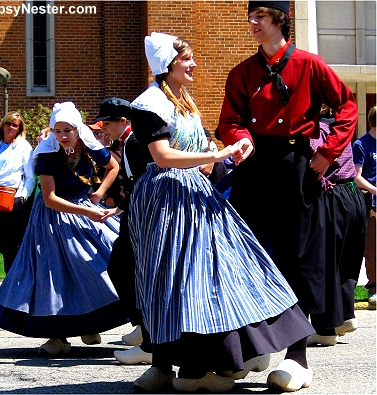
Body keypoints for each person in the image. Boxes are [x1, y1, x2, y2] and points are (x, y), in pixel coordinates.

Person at [127, 31, 314, 393]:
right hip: (167, 202)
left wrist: (225, 149)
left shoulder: (182, 100)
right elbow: (163, 157)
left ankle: (214, 363)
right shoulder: (149, 103)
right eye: (187, 59)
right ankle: (164, 364)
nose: (194, 64)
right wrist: (215, 155)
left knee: (214, 277)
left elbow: (194, 147)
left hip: (196, 198)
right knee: (169, 280)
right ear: (168, 65)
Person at [218, 1, 357, 391]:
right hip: (255, 165)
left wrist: (326, 154)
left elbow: (346, 106)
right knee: (250, 254)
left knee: (299, 257)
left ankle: (297, 355)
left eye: (260, 16)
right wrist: (241, 140)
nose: (252, 23)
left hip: (299, 166)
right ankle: (254, 347)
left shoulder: (310, 65)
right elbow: (229, 120)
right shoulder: (242, 72)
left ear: (280, 20)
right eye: (251, 16)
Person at [0, 101, 128, 355]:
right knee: (52, 275)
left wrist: (97, 194)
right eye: (58, 131)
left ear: (78, 129)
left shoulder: (89, 146)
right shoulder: (46, 154)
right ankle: (57, 336)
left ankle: (91, 323)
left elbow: (113, 166)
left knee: (97, 265)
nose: (63, 136)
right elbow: (49, 199)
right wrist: (88, 210)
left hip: (83, 209)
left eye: (68, 130)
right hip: (52, 218)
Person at [91, 97, 154, 364]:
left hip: (144, 214)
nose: (104, 127)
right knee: (123, 267)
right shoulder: (127, 142)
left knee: (123, 267)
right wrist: (118, 210)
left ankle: (146, 332)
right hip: (134, 211)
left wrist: (126, 209)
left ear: (123, 122)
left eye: (107, 122)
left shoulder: (135, 143)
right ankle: (143, 328)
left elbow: (143, 180)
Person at [307, 107, 367, 346]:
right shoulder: (343, 127)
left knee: (327, 260)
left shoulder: (316, 129)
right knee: (348, 260)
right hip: (354, 195)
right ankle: (344, 315)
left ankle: (325, 327)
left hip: (333, 196)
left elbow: (314, 161)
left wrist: (320, 180)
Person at [0, 111, 35, 298]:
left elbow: (29, 177)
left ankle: (10, 286)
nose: (11, 127)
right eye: (9, 123)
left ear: (20, 128)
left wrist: (22, 197)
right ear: (2, 125)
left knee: (10, 244)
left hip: (10, 199)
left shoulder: (24, 147)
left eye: (15, 125)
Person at [353, 105, 377, 309]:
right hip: (372, 204)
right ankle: (374, 289)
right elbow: (357, 177)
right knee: (373, 249)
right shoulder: (361, 144)